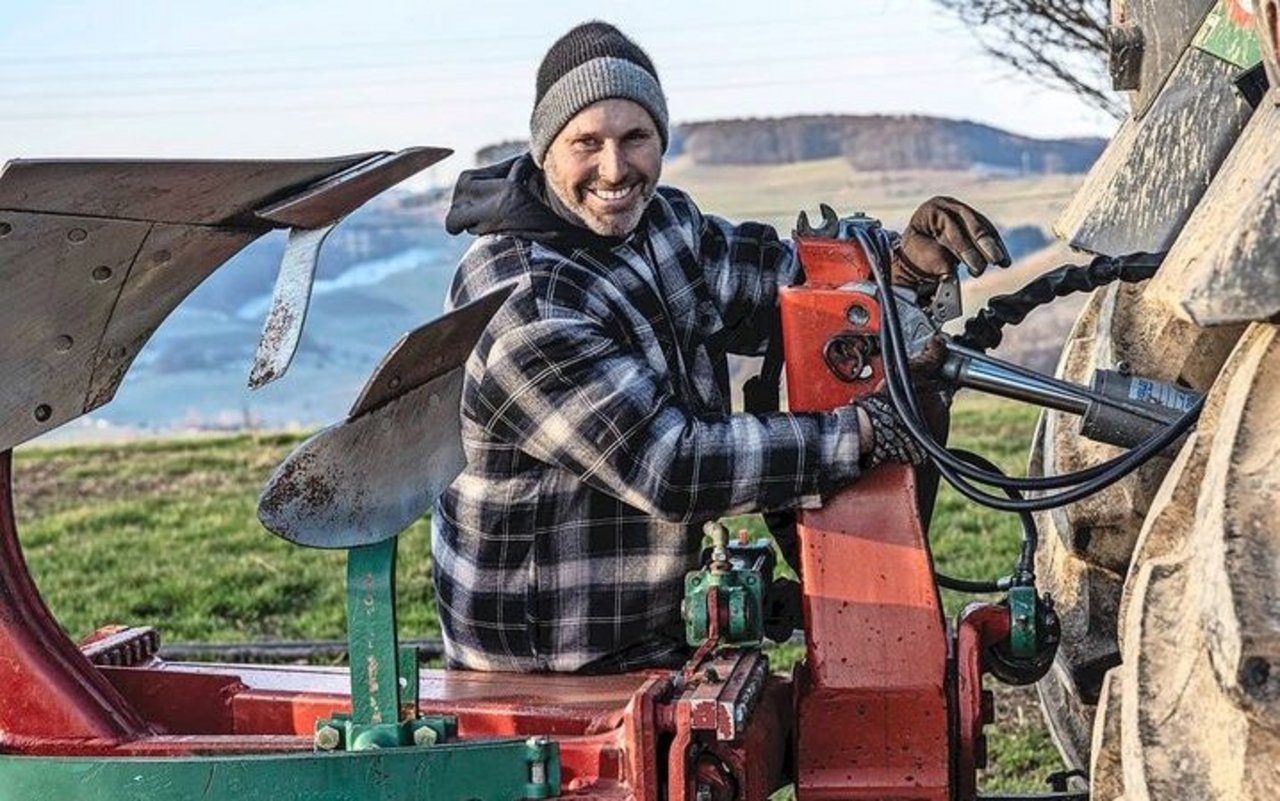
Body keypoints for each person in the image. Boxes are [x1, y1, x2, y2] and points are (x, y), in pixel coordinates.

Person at [435, 21, 1009, 673]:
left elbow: (782, 284)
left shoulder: (661, 226)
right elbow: (672, 466)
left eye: (635, 138)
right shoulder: (525, 300)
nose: (615, 169)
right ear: (546, 151)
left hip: (654, 622)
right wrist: (863, 433)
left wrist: (899, 266)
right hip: (558, 655)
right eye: (586, 143)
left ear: (661, 139)